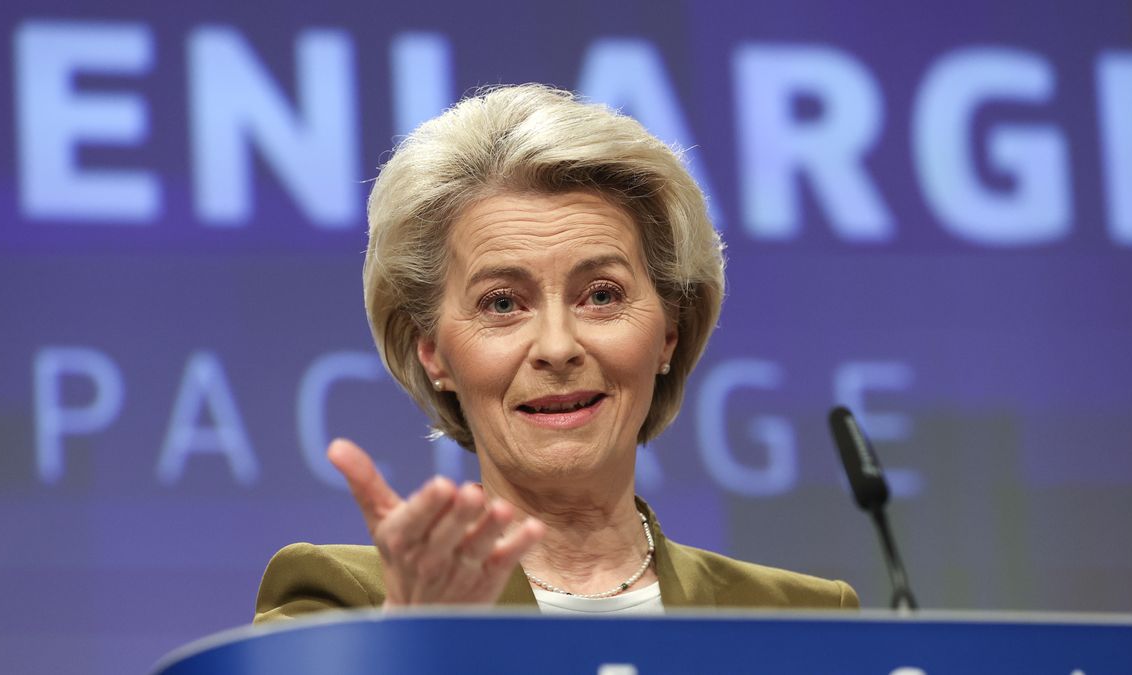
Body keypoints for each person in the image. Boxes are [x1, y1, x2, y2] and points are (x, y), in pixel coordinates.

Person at [254, 84, 858, 621]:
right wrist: (419, 645)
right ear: (434, 353)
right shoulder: (344, 605)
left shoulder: (804, 622)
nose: (557, 347)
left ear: (668, 332)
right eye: (501, 304)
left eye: (601, 295)